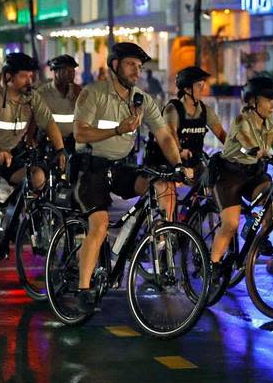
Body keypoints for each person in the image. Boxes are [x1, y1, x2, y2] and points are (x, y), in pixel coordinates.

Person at [71, 42, 189, 312]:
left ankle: (159, 237)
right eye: (130, 64)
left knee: (160, 183)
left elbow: (164, 136)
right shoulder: (94, 93)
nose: (136, 71)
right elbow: (80, 134)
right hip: (91, 168)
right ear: (114, 65)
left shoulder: (142, 100)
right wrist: (117, 129)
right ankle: (84, 288)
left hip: (120, 167)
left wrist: (179, 165)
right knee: (99, 226)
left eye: (139, 66)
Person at [0, 53, 65, 280]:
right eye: (23, 76)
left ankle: (20, 220)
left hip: (11, 152)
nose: (30, 81)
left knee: (37, 176)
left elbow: (48, 122)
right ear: (8, 77)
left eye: (31, 76)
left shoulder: (32, 97)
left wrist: (61, 151)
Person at [212, 75, 273, 280]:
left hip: (253, 174)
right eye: (268, 100)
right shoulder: (242, 121)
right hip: (230, 175)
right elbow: (248, 141)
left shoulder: (271, 126)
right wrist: (258, 151)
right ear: (253, 101)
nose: (272, 106)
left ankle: (260, 237)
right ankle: (213, 266)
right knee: (230, 224)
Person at [143, 66, 227, 221]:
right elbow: (171, 134)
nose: (204, 89)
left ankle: (190, 218)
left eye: (204, 85)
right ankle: (163, 238)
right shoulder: (173, 109)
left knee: (216, 184)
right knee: (169, 199)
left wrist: (236, 151)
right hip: (165, 161)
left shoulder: (205, 110)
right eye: (199, 86)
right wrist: (180, 154)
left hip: (192, 161)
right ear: (187, 89)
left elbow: (221, 134)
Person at [36, 55, 81, 155]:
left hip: (73, 143)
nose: (71, 74)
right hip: (49, 144)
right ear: (56, 72)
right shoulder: (42, 93)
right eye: (67, 71)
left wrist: (79, 97)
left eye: (73, 71)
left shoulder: (77, 91)